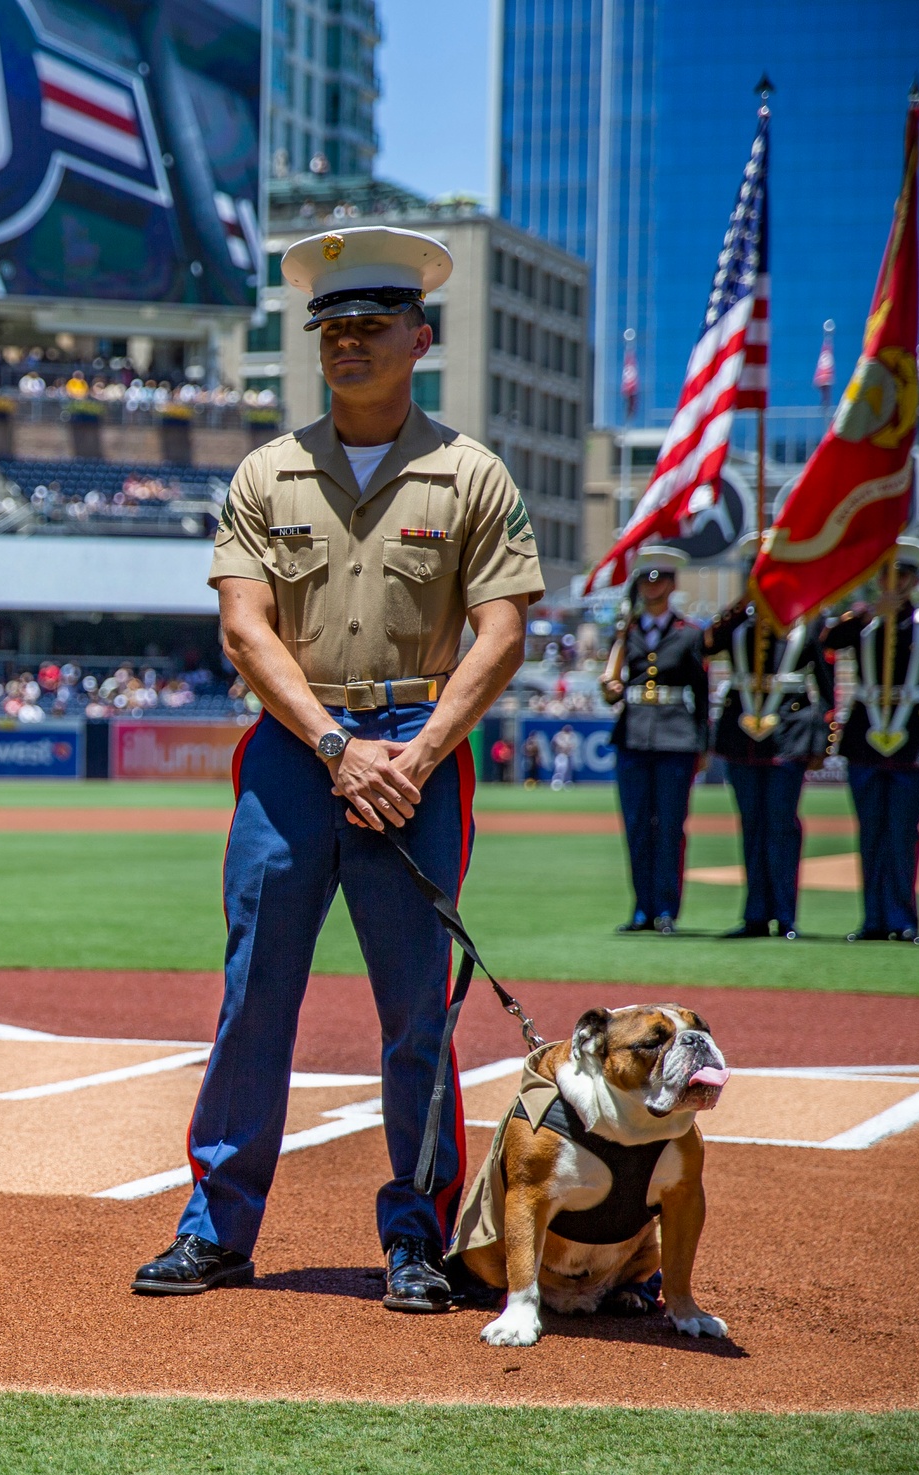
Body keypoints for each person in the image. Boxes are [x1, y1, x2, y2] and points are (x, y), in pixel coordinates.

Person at [131, 225, 544, 1309]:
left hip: (419, 753)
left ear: (420, 337)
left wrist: (412, 756)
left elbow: (499, 635)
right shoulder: (268, 471)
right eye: (332, 328)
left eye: (370, 326)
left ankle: (415, 1239)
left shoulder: (471, 475)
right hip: (295, 752)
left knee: (417, 1013)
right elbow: (244, 629)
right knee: (253, 997)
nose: (348, 343)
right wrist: (333, 747)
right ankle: (216, 1230)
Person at [820, 537, 919, 943]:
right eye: (887, 575)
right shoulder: (863, 621)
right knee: (870, 832)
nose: (893, 583)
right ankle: (874, 919)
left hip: (912, 738)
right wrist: (865, 615)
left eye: (902, 575)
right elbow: (827, 642)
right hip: (865, 738)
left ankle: (903, 918)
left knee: (902, 832)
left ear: (914, 580)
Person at [702, 534, 835, 939]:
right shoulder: (738, 620)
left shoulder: (807, 619)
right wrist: (742, 600)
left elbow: (827, 687)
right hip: (743, 737)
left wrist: (822, 742)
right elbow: (707, 646)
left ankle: (786, 915)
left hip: (790, 734)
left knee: (781, 825)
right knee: (751, 825)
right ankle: (756, 914)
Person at [601, 545, 709, 934]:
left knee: (668, 827)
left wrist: (703, 744)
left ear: (672, 583)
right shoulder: (624, 633)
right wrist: (611, 688)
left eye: (660, 579)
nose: (652, 587)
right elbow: (613, 688)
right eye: (646, 580)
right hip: (632, 736)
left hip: (676, 738)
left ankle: (665, 909)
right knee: (636, 827)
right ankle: (641, 908)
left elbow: (702, 693)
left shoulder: (689, 634)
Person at [550, 723, 578, 789]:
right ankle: (556, 782)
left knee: (567, 770)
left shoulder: (571, 736)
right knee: (559, 769)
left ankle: (567, 782)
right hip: (560, 754)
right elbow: (556, 744)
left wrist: (568, 746)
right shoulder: (559, 735)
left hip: (567, 755)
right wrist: (565, 746)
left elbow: (573, 745)